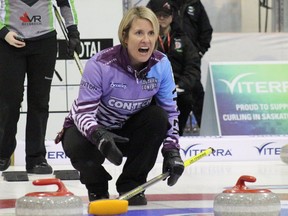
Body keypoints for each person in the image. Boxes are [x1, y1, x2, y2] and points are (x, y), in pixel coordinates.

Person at [57, 6, 184, 206]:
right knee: (75, 142)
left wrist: (172, 151)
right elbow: (82, 113)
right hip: (92, 131)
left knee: (157, 117)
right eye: (139, 33)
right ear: (125, 37)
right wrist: (99, 135)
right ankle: (97, 187)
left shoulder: (161, 64)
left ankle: (132, 186)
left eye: (151, 33)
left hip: (126, 131)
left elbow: (170, 113)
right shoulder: (100, 64)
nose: (146, 40)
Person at [0, 0, 81, 174]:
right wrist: (3, 31)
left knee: (39, 102)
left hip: (44, 42)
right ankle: (2, 154)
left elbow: (65, 4)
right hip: (9, 42)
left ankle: (36, 158)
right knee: (9, 102)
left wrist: (73, 32)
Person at [147, 0, 202, 136]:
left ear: (172, 17)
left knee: (187, 98)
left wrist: (182, 84)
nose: (162, 19)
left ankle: (177, 135)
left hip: (178, 87)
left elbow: (193, 66)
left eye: (165, 15)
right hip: (153, 87)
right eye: (158, 15)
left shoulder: (183, 39)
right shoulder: (146, 39)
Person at [171, 0, 213, 129]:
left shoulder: (195, 4)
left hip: (190, 59)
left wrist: (198, 52)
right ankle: (175, 135)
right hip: (172, 59)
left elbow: (206, 30)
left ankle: (209, 132)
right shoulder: (159, 3)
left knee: (197, 97)